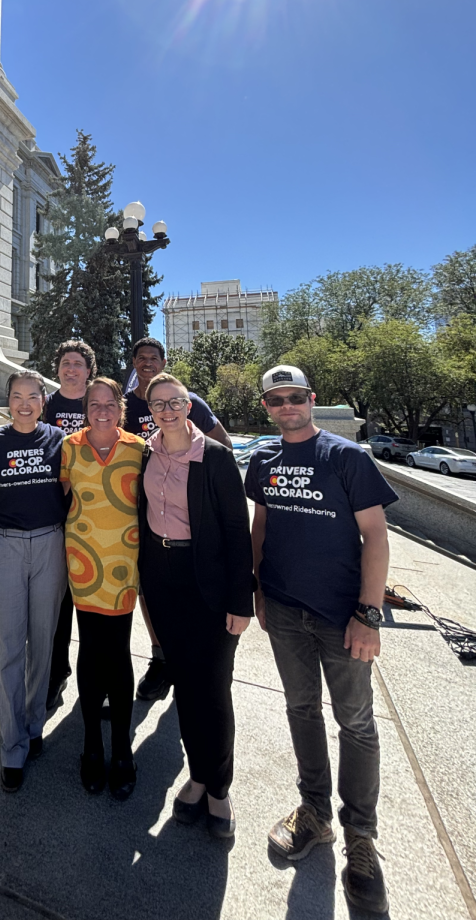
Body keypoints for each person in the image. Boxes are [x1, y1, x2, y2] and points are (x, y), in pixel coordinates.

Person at [246, 365, 397, 915]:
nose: (286, 405)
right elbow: (260, 526)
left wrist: (369, 613)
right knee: (300, 708)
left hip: (342, 616)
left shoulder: (346, 457)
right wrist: (258, 589)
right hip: (284, 608)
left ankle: (361, 838)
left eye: (294, 396)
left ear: (311, 398)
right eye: (275, 399)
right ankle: (315, 813)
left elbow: (375, 535)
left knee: (356, 722)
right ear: (267, 407)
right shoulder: (263, 461)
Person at [137, 373, 254, 838]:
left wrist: (240, 600)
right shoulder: (147, 451)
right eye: (158, 404)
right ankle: (198, 776)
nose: (167, 410)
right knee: (185, 683)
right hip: (163, 580)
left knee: (213, 687)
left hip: (207, 580)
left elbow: (237, 533)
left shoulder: (217, 458)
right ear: (150, 411)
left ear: (189, 405)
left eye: (175, 402)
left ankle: (219, 788)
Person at [123, 336, 233, 704]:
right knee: (150, 595)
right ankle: (161, 658)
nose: (147, 363)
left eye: (154, 358)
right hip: (146, 517)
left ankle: (191, 671)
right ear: (134, 363)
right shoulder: (125, 405)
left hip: (190, 523)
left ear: (164, 361)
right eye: (141, 358)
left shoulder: (189, 402)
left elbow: (224, 448)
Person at [0, 370, 68, 791]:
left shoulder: (60, 441)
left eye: (33, 396)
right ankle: (11, 744)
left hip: (51, 543)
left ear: (43, 401)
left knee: (43, 642)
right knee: (8, 646)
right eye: (17, 396)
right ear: (7, 401)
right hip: (7, 547)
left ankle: (33, 726)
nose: (25, 403)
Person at [61, 376, 144, 801]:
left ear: (120, 407)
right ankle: (92, 743)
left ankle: (122, 748)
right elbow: (59, 499)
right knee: (91, 652)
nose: (102, 410)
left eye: (109, 402)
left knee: (119, 653)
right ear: (86, 409)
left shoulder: (139, 449)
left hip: (122, 568)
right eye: (94, 404)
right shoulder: (69, 447)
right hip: (82, 565)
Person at [44, 339, 96, 710]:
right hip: (55, 514)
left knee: (94, 606)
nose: (71, 368)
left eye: (78, 363)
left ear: (88, 370)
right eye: (66, 362)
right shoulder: (46, 406)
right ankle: (55, 674)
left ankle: (97, 680)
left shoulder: (99, 404)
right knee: (58, 604)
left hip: (96, 516)